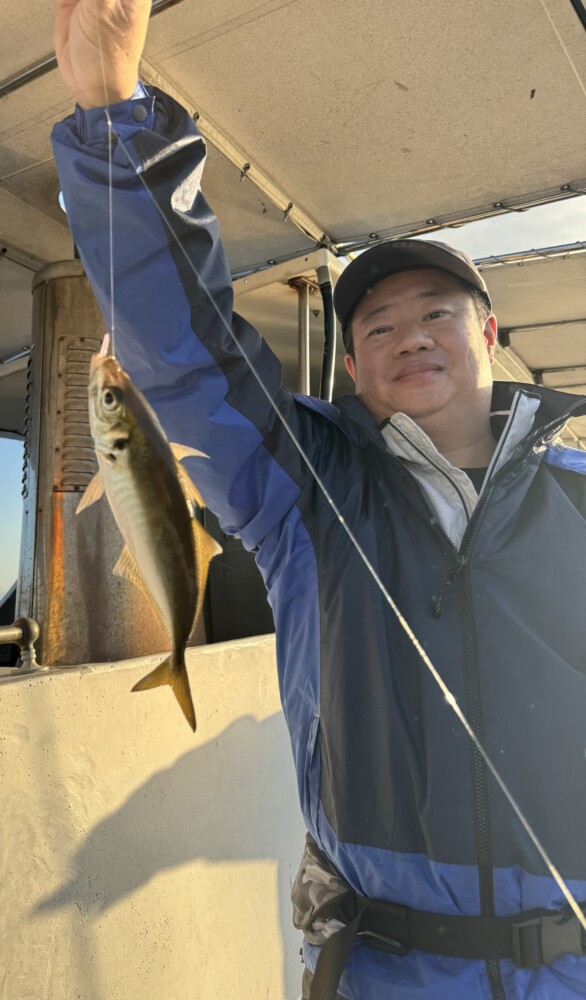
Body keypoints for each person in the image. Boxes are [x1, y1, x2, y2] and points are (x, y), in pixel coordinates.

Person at [52, 2, 586, 997]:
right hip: (383, 968)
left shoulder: (579, 498)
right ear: (350, 368)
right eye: (377, 327)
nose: (409, 335)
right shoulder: (304, 489)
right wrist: (112, 111)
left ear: (489, 334)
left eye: (437, 313)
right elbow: (192, 354)